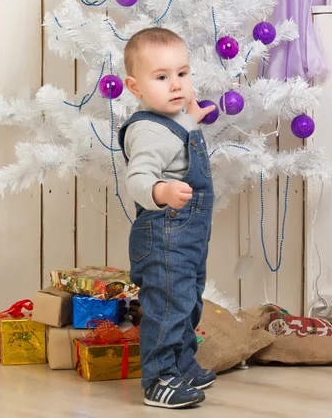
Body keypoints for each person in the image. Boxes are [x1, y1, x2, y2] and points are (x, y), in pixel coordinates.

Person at [118, 27, 216, 409]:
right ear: (135, 86)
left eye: (183, 73)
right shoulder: (145, 130)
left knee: (188, 301)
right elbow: (139, 177)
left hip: (187, 237)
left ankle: (181, 363)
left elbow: (176, 136)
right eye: (162, 77)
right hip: (163, 234)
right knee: (167, 306)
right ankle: (158, 378)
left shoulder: (172, 119)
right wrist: (161, 191)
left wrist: (191, 119)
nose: (176, 85)